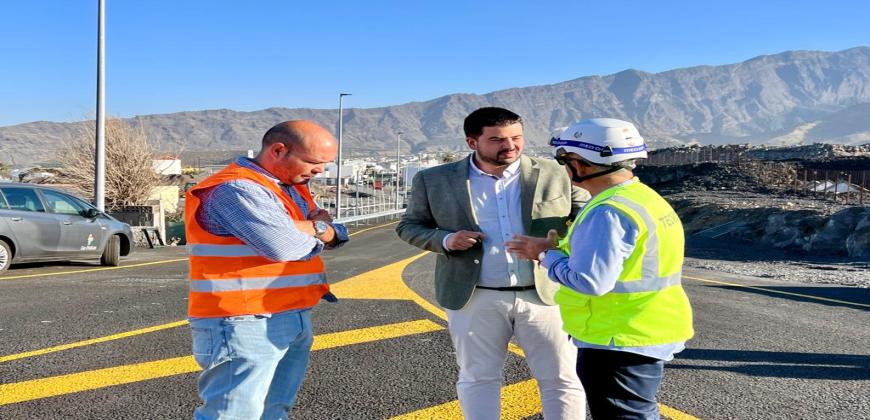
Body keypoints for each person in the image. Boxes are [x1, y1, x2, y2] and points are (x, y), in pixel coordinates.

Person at [396, 107, 588, 419]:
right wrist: (446, 240)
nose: (510, 145)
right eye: (497, 139)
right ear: (472, 142)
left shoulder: (554, 172)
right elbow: (409, 226)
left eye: (516, 138)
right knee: (478, 378)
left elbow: (584, 215)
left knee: (562, 379)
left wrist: (553, 243)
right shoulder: (434, 180)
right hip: (474, 296)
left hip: (546, 294)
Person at [506, 118, 694, 419]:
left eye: (564, 160)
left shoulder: (607, 212)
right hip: (646, 327)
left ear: (581, 164)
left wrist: (544, 255)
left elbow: (590, 281)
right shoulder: (640, 197)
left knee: (624, 414)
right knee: (638, 411)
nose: (563, 168)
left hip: (618, 336)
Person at [185, 120, 349, 420]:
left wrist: (314, 228)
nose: (320, 171)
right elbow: (284, 246)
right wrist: (317, 229)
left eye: (326, 164)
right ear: (278, 150)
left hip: (288, 314)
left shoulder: (288, 188)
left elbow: (335, 233)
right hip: (242, 321)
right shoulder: (236, 189)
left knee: (273, 411)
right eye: (314, 162)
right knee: (233, 414)